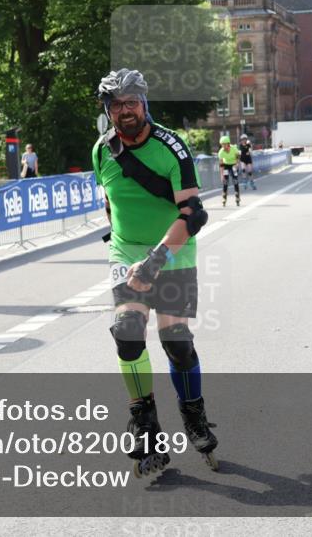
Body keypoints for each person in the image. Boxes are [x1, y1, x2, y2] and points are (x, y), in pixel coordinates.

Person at [92, 68, 218, 477]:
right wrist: (121, 240)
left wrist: (155, 260)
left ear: (144, 104)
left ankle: (194, 415)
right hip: (126, 253)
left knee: (176, 342)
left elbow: (193, 215)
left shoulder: (172, 148)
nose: (124, 111)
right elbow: (111, 201)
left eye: (131, 103)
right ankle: (145, 425)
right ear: (108, 111)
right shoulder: (102, 150)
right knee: (127, 333)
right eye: (116, 105)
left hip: (173, 254)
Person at [217, 135, 240, 206]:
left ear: (228, 143)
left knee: (235, 180)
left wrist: (237, 164)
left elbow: (238, 157)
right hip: (226, 165)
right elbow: (221, 165)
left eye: (224, 144)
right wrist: (221, 175)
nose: (223, 146)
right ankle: (224, 197)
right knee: (225, 181)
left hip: (233, 165)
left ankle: (237, 196)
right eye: (222, 144)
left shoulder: (234, 149)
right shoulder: (221, 152)